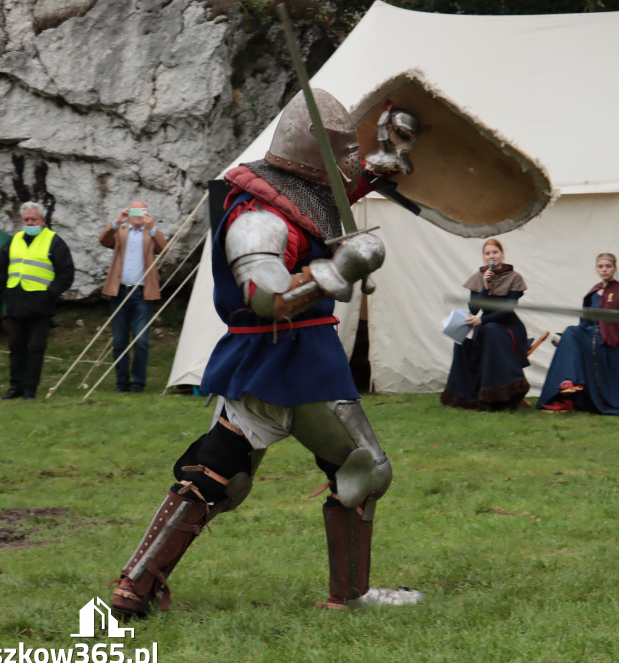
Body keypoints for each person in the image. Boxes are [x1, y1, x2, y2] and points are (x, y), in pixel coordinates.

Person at [110, 89, 423, 617]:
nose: (347, 167)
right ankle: (350, 596)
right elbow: (266, 296)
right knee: (364, 469)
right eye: (342, 155)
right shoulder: (258, 218)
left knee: (217, 473)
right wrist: (346, 266)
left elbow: (325, 200)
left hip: (259, 363)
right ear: (313, 156)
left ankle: (135, 588)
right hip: (296, 361)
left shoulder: (287, 185)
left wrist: (375, 167)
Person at [537, 253, 619, 417]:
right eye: (600, 266)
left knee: (576, 336)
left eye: (608, 266)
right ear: (597, 268)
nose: (604, 270)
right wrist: (571, 338)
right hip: (588, 332)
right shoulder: (594, 290)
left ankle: (575, 393)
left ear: (614, 268)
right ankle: (567, 386)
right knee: (570, 332)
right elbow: (584, 319)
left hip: (608, 338)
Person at [0, 202, 74, 400]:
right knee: (15, 346)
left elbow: (66, 273)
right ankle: (15, 387)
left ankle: (30, 389)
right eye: (26, 220)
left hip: (40, 303)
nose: (29, 223)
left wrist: (50, 293)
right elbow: (0, 271)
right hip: (16, 300)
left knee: (36, 347)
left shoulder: (54, 241)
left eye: (33, 220)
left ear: (43, 221)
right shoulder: (13, 240)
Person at [440, 238, 530, 411]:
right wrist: (485, 288)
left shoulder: (514, 277)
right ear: (483, 256)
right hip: (485, 328)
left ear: (502, 254)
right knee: (461, 344)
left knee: (490, 330)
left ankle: (501, 394)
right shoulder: (478, 278)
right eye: (487, 253)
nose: (492, 256)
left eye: (495, 252)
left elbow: (508, 308)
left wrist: (483, 320)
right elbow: (473, 310)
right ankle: (466, 394)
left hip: (509, 326)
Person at [99, 201, 168, 393]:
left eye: (142, 211)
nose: (138, 215)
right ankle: (122, 383)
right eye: (135, 211)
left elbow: (165, 249)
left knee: (141, 340)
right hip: (120, 291)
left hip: (142, 294)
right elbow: (103, 240)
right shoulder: (120, 231)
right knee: (119, 340)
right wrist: (117, 221)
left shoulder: (150, 233)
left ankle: (138, 383)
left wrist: (152, 227)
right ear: (129, 213)